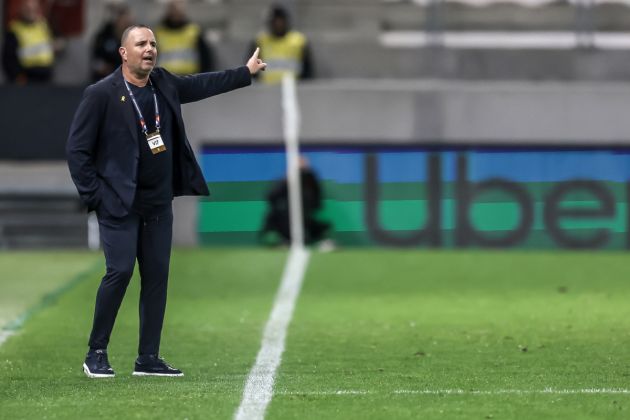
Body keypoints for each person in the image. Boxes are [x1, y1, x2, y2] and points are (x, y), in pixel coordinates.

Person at [66, 24, 266, 378]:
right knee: (120, 271)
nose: (149, 49)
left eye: (153, 44)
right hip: (119, 203)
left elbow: (203, 83)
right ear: (123, 53)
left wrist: (244, 72)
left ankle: (148, 358)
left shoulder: (164, 84)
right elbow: (77, 151)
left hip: (158, 203)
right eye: (141, 44)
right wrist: (97, 197)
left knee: (157, 277)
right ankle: (96, 352)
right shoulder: (101, 94)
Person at [260, 156, 331, 246]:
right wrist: (286, 181)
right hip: (285, 217)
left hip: (305, 217)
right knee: (274, 216)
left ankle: (308, 238)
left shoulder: (310, 181)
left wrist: (306, 175)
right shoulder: (284, 181)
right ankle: (285, 239)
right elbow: (271, 197)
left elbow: (317, 202)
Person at [250, 4, 313, 84]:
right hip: (265, 90)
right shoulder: (260, 41)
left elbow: (307, 70)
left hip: (293, 89)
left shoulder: (299, 41)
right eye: (275, 21)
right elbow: (251, 70)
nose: (278, 24)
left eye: (280, 21)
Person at [154, 0, 214, 75]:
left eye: (178, 10)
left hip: (189, 78)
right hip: (165, 79)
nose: (176, 13)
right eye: (173, 10)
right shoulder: (158, 32)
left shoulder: (194, 31)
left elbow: (206, 58)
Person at [2, 0, 55, 84]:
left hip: (46, 77)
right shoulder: (15, 29)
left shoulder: (43, 25)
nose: (31, 12)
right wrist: (17, 77)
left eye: (34, 9)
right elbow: (8, 58)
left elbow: (51, 45)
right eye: (28, 9)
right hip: (26, 78)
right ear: (21, 10)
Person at [90, 2, 134, 82]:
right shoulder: (103, 36)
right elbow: (95, 60)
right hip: (104, 80)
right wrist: (103, 67)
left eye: (126, 20)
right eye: (122, 19)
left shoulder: (134, 38)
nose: (124, 23)